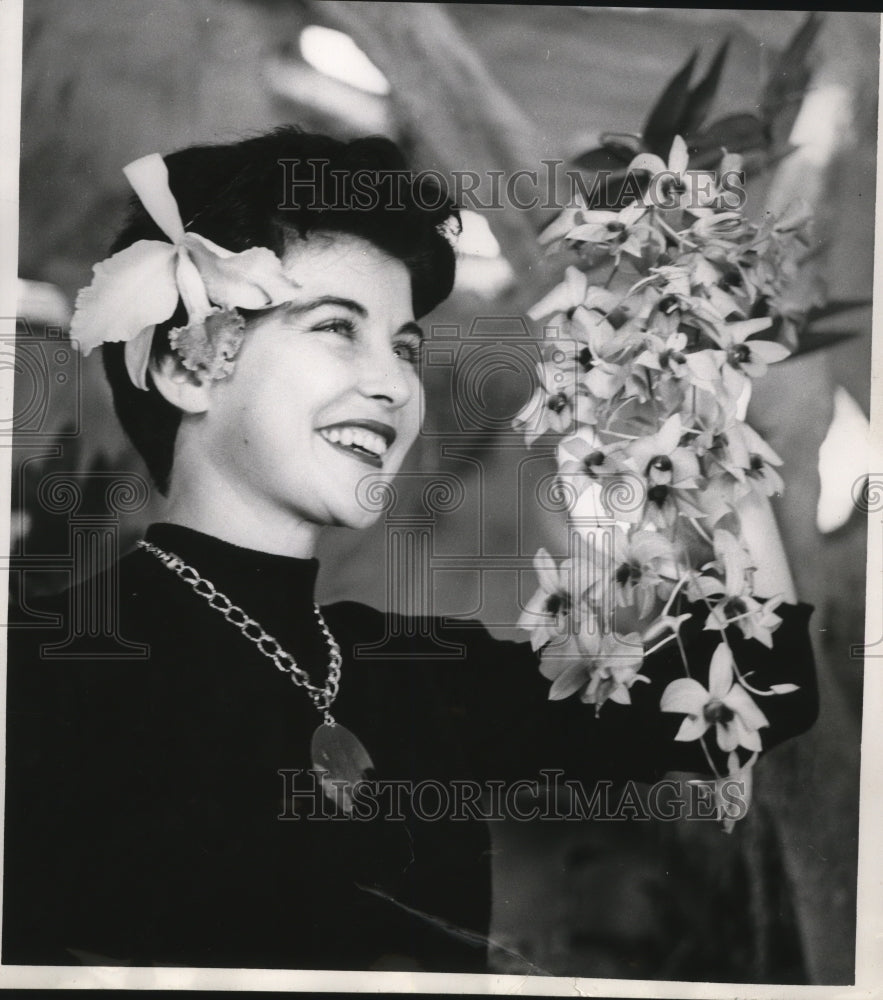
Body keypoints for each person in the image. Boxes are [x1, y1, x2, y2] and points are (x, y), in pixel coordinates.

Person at [2, 127, 818, 972]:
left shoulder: (414, 672)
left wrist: (698, 425)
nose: (395, 384)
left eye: (403, 346)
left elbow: (770, 676)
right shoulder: (38, 671)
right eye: (334, 327)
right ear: (186, 363)